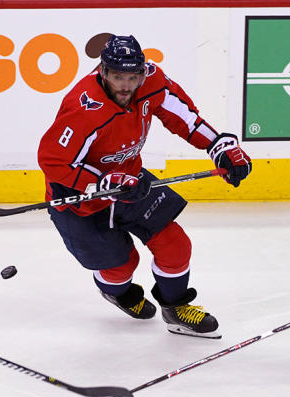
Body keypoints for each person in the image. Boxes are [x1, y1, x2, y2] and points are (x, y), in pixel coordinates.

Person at [37, 34, 252, 339]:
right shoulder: (83, 108)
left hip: (131, 180)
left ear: (142, 71)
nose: (126, 85)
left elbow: (185, 118)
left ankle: (176, 308)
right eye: (117, 77)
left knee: (175, 244)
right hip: (78, 197)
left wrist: (218, 145)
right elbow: (53, 161)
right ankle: (118, 293)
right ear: (102, 71)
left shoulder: (152, 80)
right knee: (121, 266)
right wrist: (99, 183)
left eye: (133, 77)